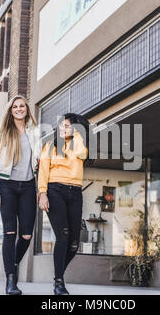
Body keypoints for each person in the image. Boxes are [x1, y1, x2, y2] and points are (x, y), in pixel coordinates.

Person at [0, 95, 41, 295]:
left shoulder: (34, 132)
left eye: (22, 106)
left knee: (26, 234)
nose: (19, 109)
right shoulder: (2, 132)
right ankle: (11, 280)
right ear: (11, 111)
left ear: (27, 109)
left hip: (28, 186)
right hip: (6, 185)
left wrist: (40, 188)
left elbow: (40, 160)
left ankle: (13, 263)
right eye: (15, 106)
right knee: (10, 232)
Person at [38, 113, 93, 295]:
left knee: (74, 243)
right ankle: (59, 282)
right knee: (63, 236)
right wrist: (42, 194)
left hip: (75, 192)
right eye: (61, 126)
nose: (62, 129)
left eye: (67, 126)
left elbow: (80, 153)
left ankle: (58, 274)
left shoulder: (80, 146)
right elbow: (43, 172)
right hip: (55, 191)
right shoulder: (49, 147)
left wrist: (76, 133)